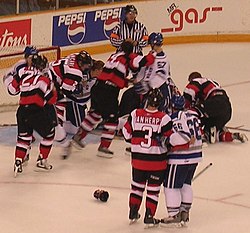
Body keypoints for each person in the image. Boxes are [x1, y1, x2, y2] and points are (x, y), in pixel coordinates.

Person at [72, 41, 156, 158]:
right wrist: (154, 51)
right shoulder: (129, 56)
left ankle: (78, 137)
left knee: (96, 113)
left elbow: (115, 74)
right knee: (112, 119)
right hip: (109, 92)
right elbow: (145, 61)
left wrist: (128, 82)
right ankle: (104, 147)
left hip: (98, 87)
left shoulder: (114, 55)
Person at [122, 88, 173, 226]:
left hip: (138, 161)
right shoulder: (164, 118)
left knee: (136, 187)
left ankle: (133, 212)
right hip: (157, 163)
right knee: (153, 191)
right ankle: (149, 216)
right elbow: (170, 141)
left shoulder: (135, 114)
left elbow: (126, 134)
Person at [7, 54, 57, 177]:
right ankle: (41, 160)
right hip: (36, 111)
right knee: (50, 133)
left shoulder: (23, 73)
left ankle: (18, 161)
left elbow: (13, 89)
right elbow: (52, 100)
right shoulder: (45, 80)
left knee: (24, 137)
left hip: (21, 111)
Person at [161, 95, 202, 225]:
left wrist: (167, 142)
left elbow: (183, 136)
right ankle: (185, 212)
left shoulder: (174, 118)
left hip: (180, 158)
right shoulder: (192, 117)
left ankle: (174, 215)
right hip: (195, 156)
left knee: (170, 186)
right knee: (186, 183)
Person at [49, 50, 94, 158]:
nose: (87, 68)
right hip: (50, 85)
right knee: (54, 119)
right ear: (81, 63)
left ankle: (61, 137)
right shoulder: (76, 73)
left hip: (48, 75)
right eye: (86, 65)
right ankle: (64, 142)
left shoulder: (75, 56)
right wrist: (77, 87)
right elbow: (66, 91)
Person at [183, 72, 247, 143]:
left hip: (215, 102)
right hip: (227, 109)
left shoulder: (196, 81)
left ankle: (201, 137)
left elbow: (188, 97)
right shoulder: (212, 82)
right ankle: (233, 136)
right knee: (211, 134)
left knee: (191, 112)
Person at [134, 32, 178, 113]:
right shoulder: (159, 56)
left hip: (159, 89)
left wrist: (146, 84)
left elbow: (158, 76)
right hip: (159, 88)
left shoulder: (158, 59)